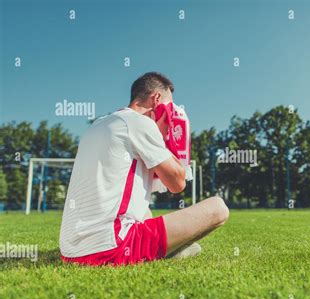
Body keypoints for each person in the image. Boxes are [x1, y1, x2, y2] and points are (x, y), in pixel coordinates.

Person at [59, 72, 229, 266]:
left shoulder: (98, 125)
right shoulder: (140, 123)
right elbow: (177, 183)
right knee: (218, 208)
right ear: (157, 99)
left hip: (70, 252)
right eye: (170, 106)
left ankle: (164, 249)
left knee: (143, 208)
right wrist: (167, 136)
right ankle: (165, 253)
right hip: (111, 248)